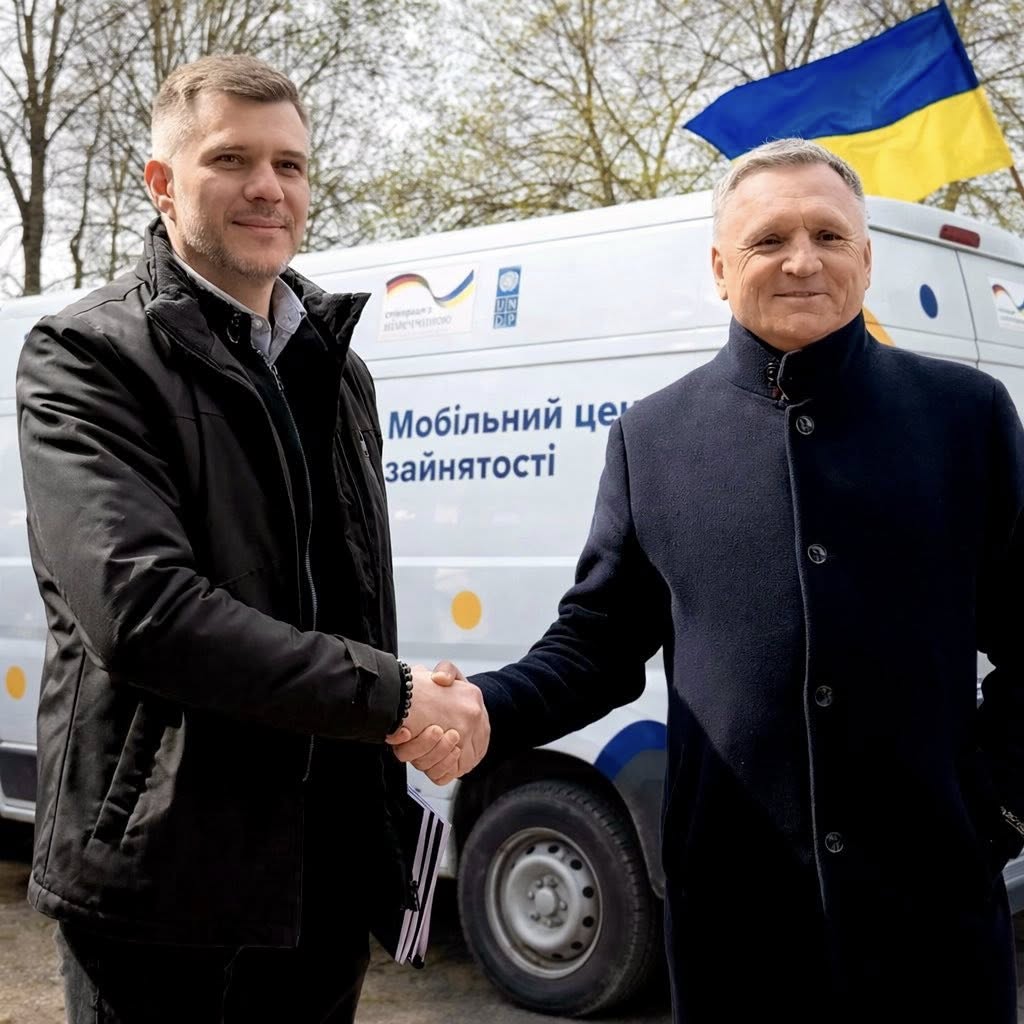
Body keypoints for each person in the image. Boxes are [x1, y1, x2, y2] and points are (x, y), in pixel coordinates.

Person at [401, 139, 1024, 1021]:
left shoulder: (967, 418)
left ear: (866, 258)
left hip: (935, 923)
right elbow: (596, 647)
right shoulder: (652, 439)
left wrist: (997, 810)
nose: (802, 260)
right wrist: (485, 709)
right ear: (721, 269)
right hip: (737, 930)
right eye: (769, 240)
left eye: (829, 236)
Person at [18, 54, 488, 1024]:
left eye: (291, 164)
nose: (269, 187)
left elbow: (356, 602)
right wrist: (396, 694)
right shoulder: (87, 356)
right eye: (231, 159)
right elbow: (144, 613)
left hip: (323, 876)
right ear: (162, 182)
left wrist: (408, 729)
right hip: (162, 887)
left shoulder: (339, 369)